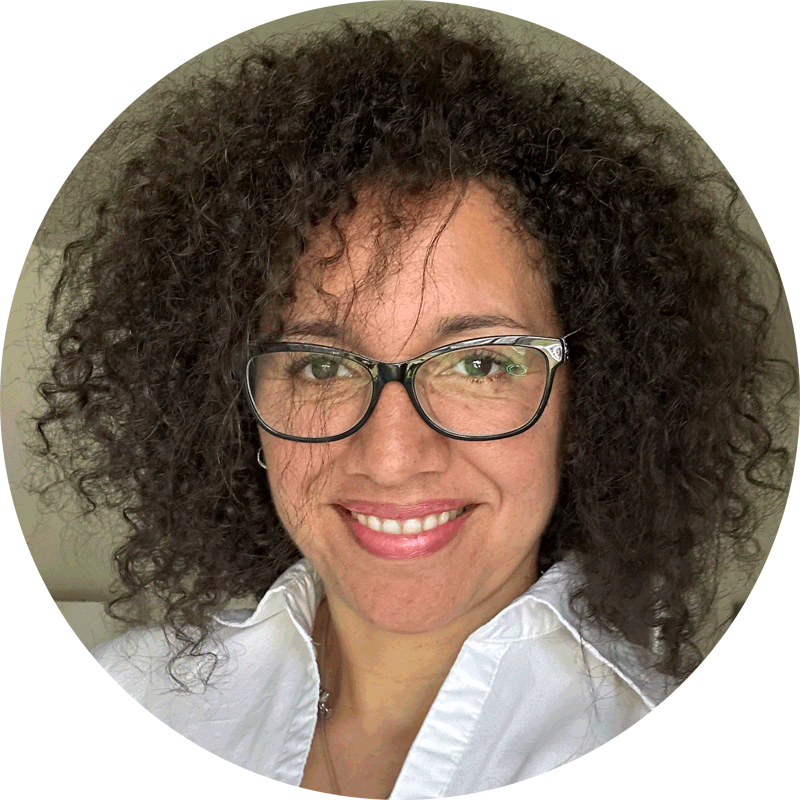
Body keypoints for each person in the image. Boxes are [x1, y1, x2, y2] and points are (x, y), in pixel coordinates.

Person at [28, 8, 795, 798]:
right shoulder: (140, 687)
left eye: (480, 363)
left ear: (588, 404)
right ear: (239, 411)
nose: (392, 458)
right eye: (322, 365)